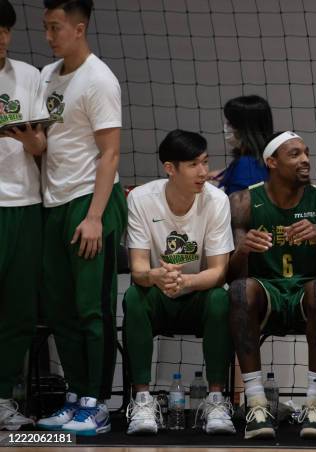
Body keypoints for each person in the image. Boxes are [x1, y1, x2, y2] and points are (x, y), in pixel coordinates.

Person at [35, 0, 127, 436]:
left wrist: (94, 217)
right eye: (46, 27)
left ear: (79, 27)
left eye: (56, 27)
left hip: (90, 202)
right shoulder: (47, 77)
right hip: (53, 204)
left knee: (93, 308)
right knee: (61, 308)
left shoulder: (99, 79)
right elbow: (46, 142)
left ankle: (98, 401)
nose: (50, 36)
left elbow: (109, 153)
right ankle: (74, 395)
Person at [122, 129, 235, 435]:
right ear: (170, 168)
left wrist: (186, 282)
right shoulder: (141, 200)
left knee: (221, 297)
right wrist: (156, 276)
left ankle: (215, 400)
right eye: (193, 165)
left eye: (205, 162)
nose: (203, 172)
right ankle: (143, 401)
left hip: (196, 291)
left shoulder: (217, 200)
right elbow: (138, 269)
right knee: (134, 297)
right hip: (160, 292)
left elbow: (218, 272)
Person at [228, 131, 316, 439]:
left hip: (308, 295)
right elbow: (231, 276)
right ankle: (257, 404)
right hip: (267, 294)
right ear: (272, 162)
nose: (305, 160)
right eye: (295, 155)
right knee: (239, 291)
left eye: (306, 153)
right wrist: (242, 250)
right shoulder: (244, 202)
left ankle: (315, 405)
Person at [0, 0, 47, 431]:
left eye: (5, 30)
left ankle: (1, 400)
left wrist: (35, 145)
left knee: (17, 312)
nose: (0, 37)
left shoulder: (29, 77)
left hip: (25, 206)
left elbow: (43, 143)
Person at [210, 95, 271, 194]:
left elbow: (236, 205)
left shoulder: (246, 166)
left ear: (245, 129)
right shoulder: (263, 160)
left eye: (230, 122)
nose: (226, 126)